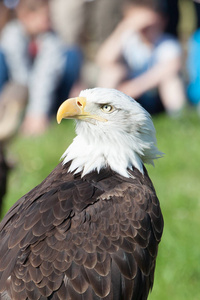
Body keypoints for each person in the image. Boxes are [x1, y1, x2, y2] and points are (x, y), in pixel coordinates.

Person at [0, 0, 82, 136]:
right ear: (26, 16)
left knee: (71, 55)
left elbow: (45, 77)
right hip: (14, 93)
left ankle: (52, 114)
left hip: (46, 97)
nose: (49, 22)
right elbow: (20, 78)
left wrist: (38, 112)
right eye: (45, 17)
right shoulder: (11, 36)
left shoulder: (51, 40)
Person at [97, 0, 186, 115]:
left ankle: (179, 116)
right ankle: (102, 112)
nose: (145, 29)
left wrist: (133, 88)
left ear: (162, 21)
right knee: (112, 72)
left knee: (171, 80)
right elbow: (104, 60)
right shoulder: (128, 41)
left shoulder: (167, 43)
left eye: (150, 24)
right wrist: (125, 27)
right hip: (127, 95)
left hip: (155, 96)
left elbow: (172, 67)